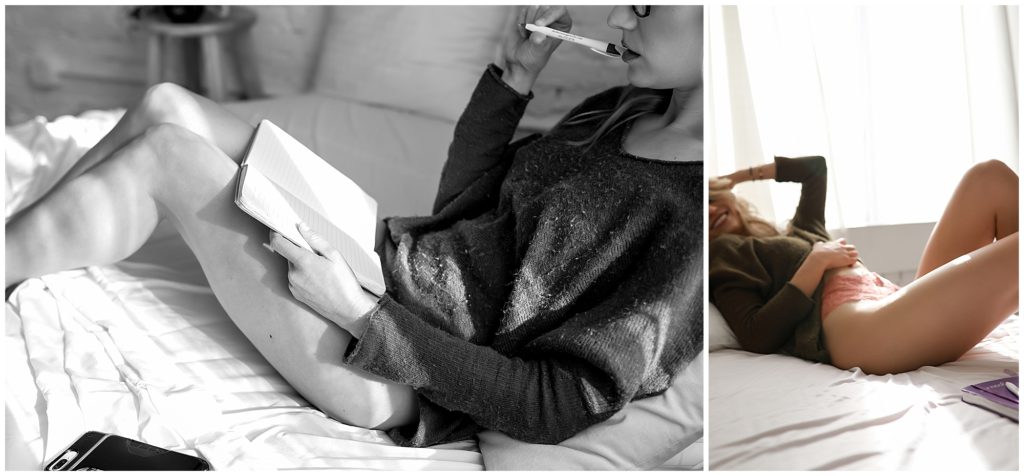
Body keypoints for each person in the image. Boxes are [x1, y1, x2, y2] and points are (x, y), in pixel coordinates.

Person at [6, 6, 703, 447]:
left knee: (168, 158)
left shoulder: (692, 220)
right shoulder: (618, 109)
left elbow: (558, 403)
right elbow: (466, 206)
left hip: (394, 368)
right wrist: (510, 82)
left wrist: (361, 314)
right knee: (169, 108)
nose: (622, 17)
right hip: (389, 264)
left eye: (650, 4)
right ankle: (24, 245)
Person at [709, 155, 1018, 375]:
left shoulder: (801, 229)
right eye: (699, 215)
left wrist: (736, 177)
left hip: (889, 301)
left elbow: (815, 168)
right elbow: (756, 335)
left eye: (710, 197)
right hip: (860, 329)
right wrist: (814, 265)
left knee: (989, 177)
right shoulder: (722, 256)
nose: (709, 211)